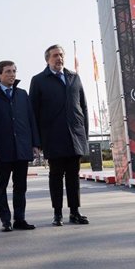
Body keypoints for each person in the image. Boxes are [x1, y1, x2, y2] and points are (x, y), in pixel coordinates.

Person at [29, 44, 90, 226]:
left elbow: (83, 107)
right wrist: (37, 141)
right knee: (56, 176)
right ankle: (57, 213)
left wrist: (84, 135)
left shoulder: (74, 77)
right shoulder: (39, 80)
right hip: (53, 137)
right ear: (47, 59)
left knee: (73, 176)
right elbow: (33, 112)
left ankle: (75, 212)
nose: (59, 58)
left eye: (61, 55)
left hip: (75, 136)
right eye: (55, 55)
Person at [0, 60, 40, 232]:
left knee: (20, 186)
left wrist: (35, 143)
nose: (12, 74)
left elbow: (31, 120)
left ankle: (19, 219)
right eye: (8, 71)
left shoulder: (22, 94)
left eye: (14, 71)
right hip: (1, 150)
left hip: (21, 148)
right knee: (1, 186)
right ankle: (6, 220)